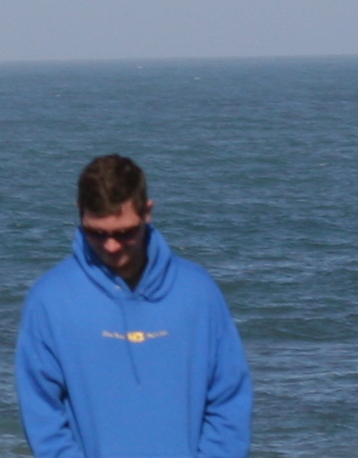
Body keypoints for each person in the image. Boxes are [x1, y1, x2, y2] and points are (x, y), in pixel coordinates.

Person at [16, 153, 251, 458]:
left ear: (147, 212)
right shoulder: (50, 299)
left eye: (124, 233)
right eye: (97, 233)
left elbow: (229, 402)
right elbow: (43, 416)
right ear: (80, 213)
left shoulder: (198, 292)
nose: (112, 246)